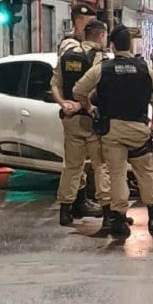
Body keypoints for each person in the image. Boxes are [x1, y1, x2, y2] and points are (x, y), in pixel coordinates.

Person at [73, 25, 153, 237]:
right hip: (138, 129)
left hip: (112, 130)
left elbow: (78, 90)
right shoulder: (145, 68)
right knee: (146, 172)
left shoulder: (103, 68)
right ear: (130, 44)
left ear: (112, 45)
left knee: (117, 175)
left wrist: (91, 109)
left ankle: (119, 220)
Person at [52, 16, 109, 226]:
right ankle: (107, 209)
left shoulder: (66, 56)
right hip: (90, 118)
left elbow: (55, 84)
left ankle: (65, 211)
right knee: (100, 165)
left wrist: (63, 103)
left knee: (72, 166)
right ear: (101, 36)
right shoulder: (99, 58)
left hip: (70, 120)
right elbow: (97, 88)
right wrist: (80, 104)